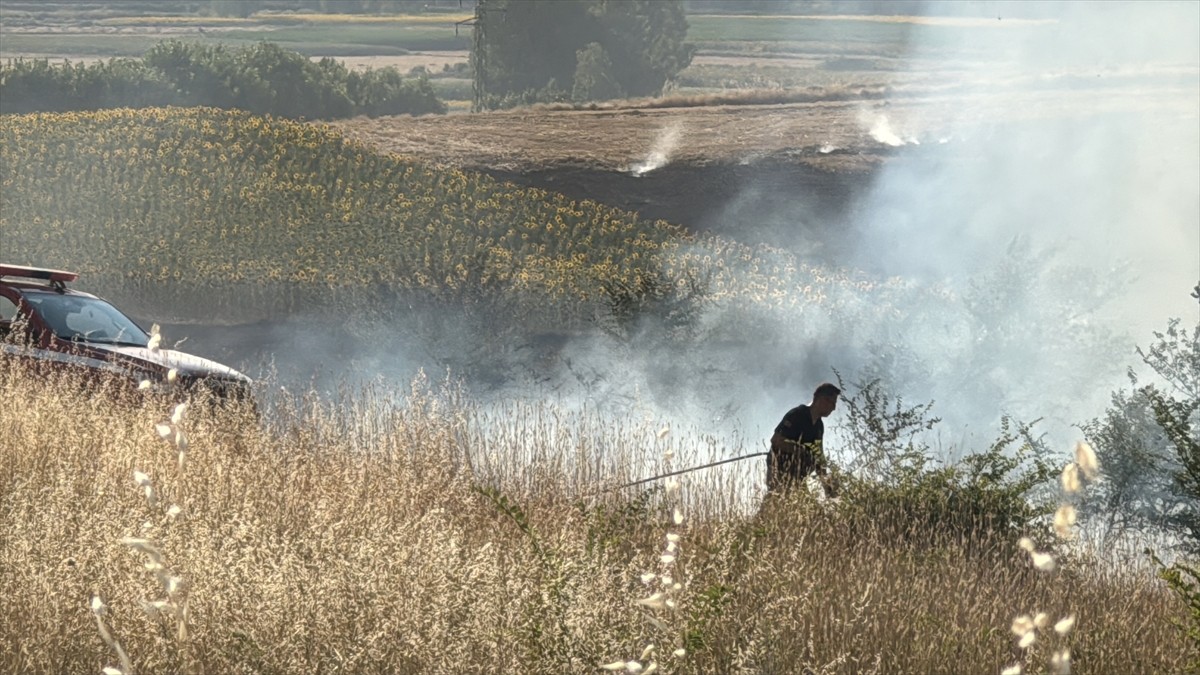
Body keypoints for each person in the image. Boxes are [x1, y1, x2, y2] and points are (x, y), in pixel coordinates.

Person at [766, 382, 841, 498]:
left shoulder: (819, 426)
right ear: (822, 400)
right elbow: (776, 440)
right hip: (779, 472)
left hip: (797, 478)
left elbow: (818, 455)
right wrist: (799, 450)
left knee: (806, 510)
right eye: (833, 403)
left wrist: (827, 484)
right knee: (778, 501)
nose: (834, 408)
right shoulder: (797, 415)